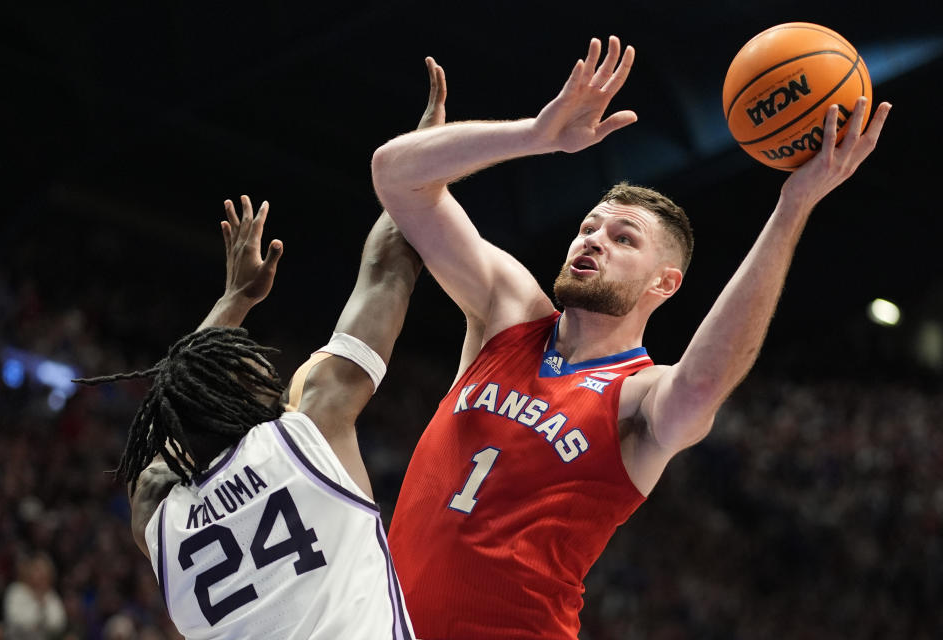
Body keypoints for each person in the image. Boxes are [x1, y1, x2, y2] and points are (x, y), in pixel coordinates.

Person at [372, 37, 891, 639]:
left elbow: (703, 383)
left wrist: (792, 205)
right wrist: (536, 135)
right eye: (590, 227)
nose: (593, 240)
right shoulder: (508, 313)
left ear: (664, 283)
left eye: (624, 238)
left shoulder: (641, 397)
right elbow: (397, 176)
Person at [75, 59, 448, 639]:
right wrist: (419, 164)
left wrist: (232, 303)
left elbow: (169, 408)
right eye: (257, 367)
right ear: (247, 396)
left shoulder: (158, 511)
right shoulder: (311, 425)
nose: (272, 372)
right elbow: (386, 274)